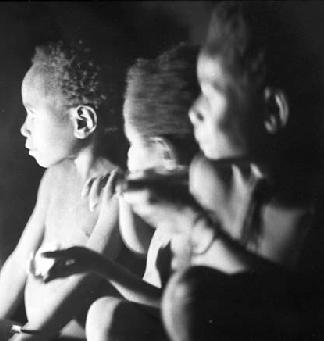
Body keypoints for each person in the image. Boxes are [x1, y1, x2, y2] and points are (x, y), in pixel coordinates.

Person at [121, 2, 324, 340]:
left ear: (272, 110)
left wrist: (195, 224)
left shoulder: (311, 209)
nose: (193, 111)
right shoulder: (208, 176)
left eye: (210, 95)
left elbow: (298, 316)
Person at [0, 40, 125, 341]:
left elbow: (87, 279)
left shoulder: (113, 190)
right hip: (31, 334)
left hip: (63, 337)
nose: (24, 128)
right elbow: (21, 258)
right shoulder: (54, 177)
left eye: (32, 114)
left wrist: (35, 335)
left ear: (82, 121)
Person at [38, 43, 199, 341]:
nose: (128, 156)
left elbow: (172, 305)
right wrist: (124, 195)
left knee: (105, 313)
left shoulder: (195, 218)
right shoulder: (172, 201)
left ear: (165, 153)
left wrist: (99, 265)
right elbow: (141, 245)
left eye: (133, 144)